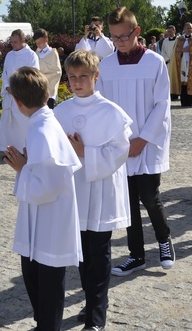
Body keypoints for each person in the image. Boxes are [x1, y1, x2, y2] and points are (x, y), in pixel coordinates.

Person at [54, 50, 132, 330]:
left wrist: (85, 151)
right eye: (72, 77)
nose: (77, 82)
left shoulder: (111, 112)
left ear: (96, 77)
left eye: (83, 77)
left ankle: (97, 317)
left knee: (98, 254)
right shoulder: (61, 111)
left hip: (100, 192)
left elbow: (121, 151)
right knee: (82, 255)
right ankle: (90, 302)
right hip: (75, 192)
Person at [97, 7, 175, 276]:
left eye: (124, 36)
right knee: (128, 201)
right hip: (121, 146)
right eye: (115, 37)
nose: (119, 42)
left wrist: (143, 138)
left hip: (147, 142)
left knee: (150, 197)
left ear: (137, 32)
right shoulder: (105, 66)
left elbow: (162, 104)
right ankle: (136, 255)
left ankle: (164, 240)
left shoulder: (154, 63)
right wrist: (116, 141)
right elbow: (103, 106)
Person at [3, 67, 82, 331]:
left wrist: (22, 168)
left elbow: (47, 186)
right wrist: (27, 166)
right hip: (44, 221)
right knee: (35, 276)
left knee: (47, 286)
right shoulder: (42, 123)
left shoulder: (42, 130)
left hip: (50, 222)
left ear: (17, 102)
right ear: (47, 93)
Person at [0, 29, 40, 152]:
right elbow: (5, 74)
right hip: (10, 95)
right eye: (11, 42)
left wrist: (18, 89)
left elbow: (33, 75)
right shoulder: (9, 55)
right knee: (9, 126)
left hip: (23, 95)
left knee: (22, 126)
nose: (12, 44)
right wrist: (7, 87)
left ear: (23, 40)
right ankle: (9, 150)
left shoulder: (31, 55)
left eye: (15, 42)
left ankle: (23, 150)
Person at [33, 29, 62, 109]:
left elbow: (57, 72)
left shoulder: (52, 53)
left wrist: (41, 79)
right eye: (36, 43)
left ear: (46, 39)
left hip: (48, 89)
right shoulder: (36, 53)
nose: (38, 45)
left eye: (40, 42)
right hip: (37, 89)